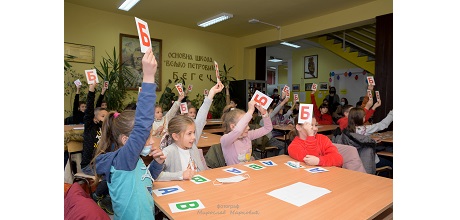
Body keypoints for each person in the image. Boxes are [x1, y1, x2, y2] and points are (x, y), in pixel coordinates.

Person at [93, 47, 165, 219]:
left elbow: (145, 183)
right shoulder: (122, 160)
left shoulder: (133, 160)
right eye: (146, 137)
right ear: (126, 140)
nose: (150, 140)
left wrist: (157, 164)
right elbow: (142, 126)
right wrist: (148, 76)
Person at [156, 81, 224, 181]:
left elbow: (200, 119)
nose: (194, 137)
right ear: (176, 136)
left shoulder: (192, 145)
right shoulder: (168, 152)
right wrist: (180, 175)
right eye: (189, 133)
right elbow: (154, 175)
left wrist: (211, 94)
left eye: (193, 132)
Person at [332, 107, 393, 174]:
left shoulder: (346, 131)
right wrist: (392, 113)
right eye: (364, 117)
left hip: (352, 163)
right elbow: (383, 124)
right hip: (368, 162)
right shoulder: (366, 129)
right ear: (361, 119)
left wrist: (371, 140)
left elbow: (357, 141)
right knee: (391, 163)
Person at [79, 82, 110, 213]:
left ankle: (105, 197)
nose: (106, 119)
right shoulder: (90, 127)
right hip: (88, 165)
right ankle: (97, 196)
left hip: (101, 163)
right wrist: (92, 90)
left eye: (107, 117)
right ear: (95, 119)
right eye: (103, 116)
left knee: (116, 170)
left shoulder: (106, 130)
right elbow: (91, 110)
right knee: (112, 173)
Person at [220, 100, 272, 165]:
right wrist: (250, 111)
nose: (248, 127)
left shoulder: (247, 135)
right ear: (233, 126)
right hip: (236, 174)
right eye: (245, 125)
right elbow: (238, 130)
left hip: (248, 172)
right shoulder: (225, 140)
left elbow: (268, 128)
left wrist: (264, 113)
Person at [259, 91, 290, 155]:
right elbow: (275, 111)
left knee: (284, 144)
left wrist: (281, 98)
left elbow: (276, 110)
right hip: (268, 140)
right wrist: (283, 101)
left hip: (267, 139)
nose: (272, 114)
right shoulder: (264, 119)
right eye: (270, 112)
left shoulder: (263, 120)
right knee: (285, 146)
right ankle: (279, 159)